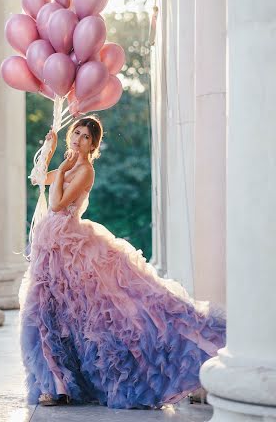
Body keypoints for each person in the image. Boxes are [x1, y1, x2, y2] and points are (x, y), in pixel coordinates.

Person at [19, 116, 226, 409]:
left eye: (86, 137)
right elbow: (38, 179)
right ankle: (58, 385)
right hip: (51, 246)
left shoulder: (85, 171)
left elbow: (56, 204)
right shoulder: (70, 165)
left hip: (70, 246)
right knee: (47, 313)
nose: (78, 138)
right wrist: (50, 151)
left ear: (93, 145)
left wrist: (63, 167)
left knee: (103, 311)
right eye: (76, 132)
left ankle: (198, 346)